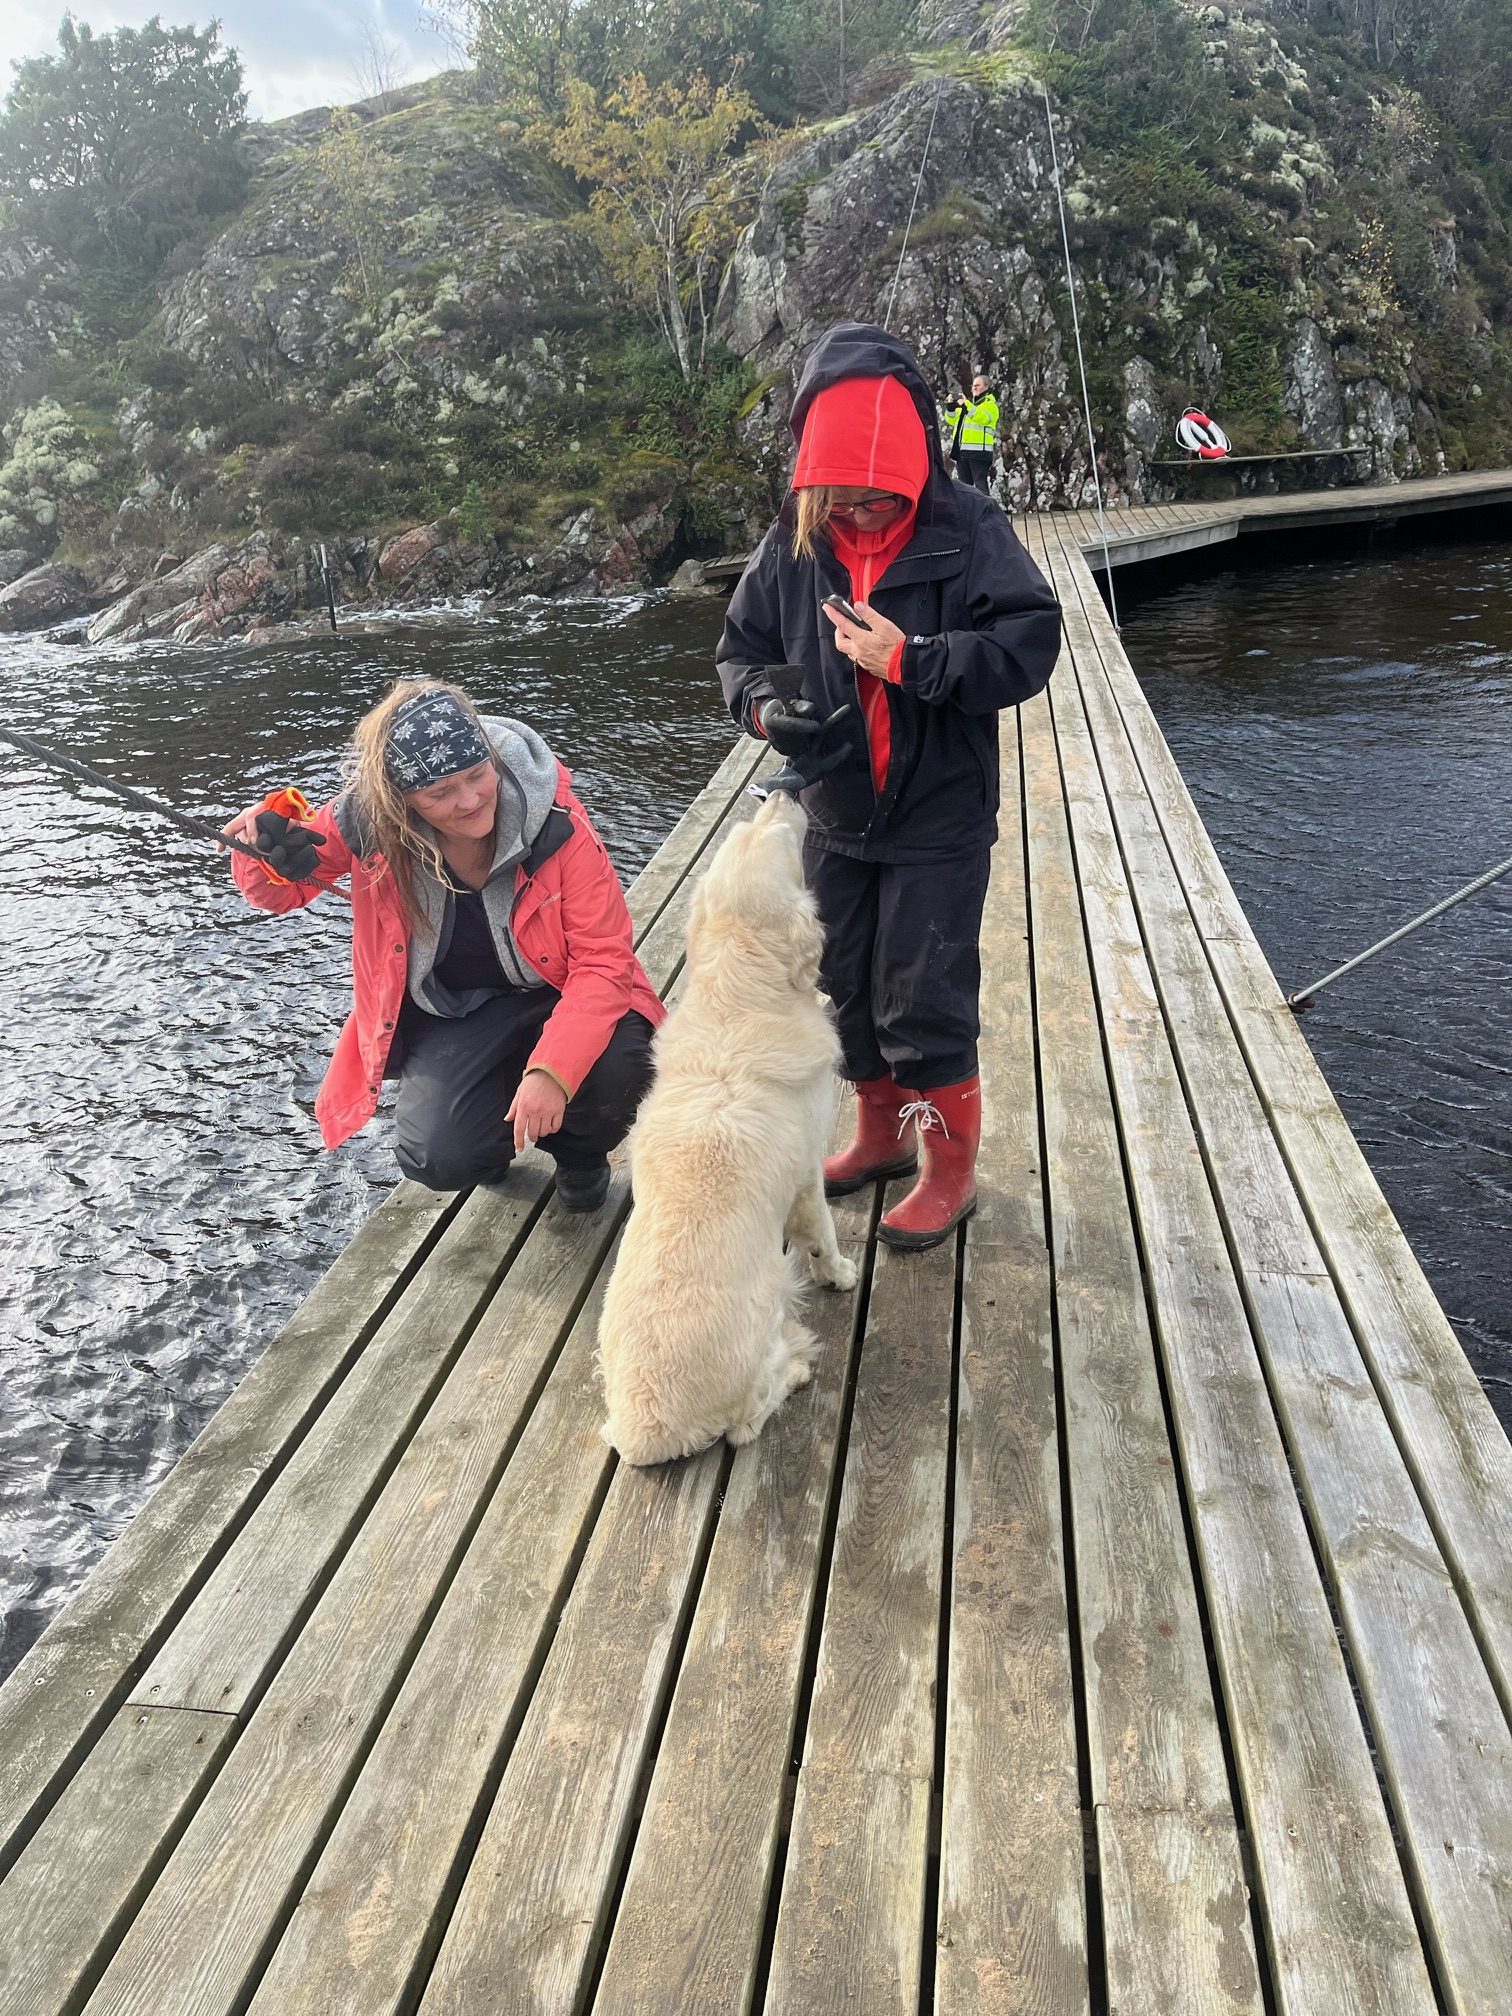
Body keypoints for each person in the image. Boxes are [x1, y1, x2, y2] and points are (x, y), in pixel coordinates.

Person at [716, 323, 1061, 1250]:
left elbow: (1029, 645)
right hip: (836, 812)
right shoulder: (793, 541)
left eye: (878, 498)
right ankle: (880, 1137)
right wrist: (767, 712)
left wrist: (915, 660)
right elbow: (742, 651)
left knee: (925, 997)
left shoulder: (970, 528)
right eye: (844, 501)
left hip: (939, 815)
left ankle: (950, 1173)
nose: (861, 516)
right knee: (844, 984)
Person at [223, 679, 662, 1209]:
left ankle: (580, 1156)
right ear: (402, 800)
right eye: (439, 793)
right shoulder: (364, 821)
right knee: (440, 1156)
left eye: (477, 775)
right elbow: (281, 892)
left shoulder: (556, 820)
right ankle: (487, 1149)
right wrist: (259, 849)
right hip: (455, 1013)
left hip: (557, 988)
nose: (470, 801)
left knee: (625, 1068)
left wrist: (552, 1072)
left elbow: (603, 962)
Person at [943, 372, 1000, 495]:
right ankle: (966, 508)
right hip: (963, 452)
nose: (974, 388)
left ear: (986, 387)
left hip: (979, 453)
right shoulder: (970, 406)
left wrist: (966, 404)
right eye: (973, 386)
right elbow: (952, 420)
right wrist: (950, 407)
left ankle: (985, 508)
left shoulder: (990, 405)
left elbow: (982, 418)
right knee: (964, 488)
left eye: (977, 385)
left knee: (980, 486)